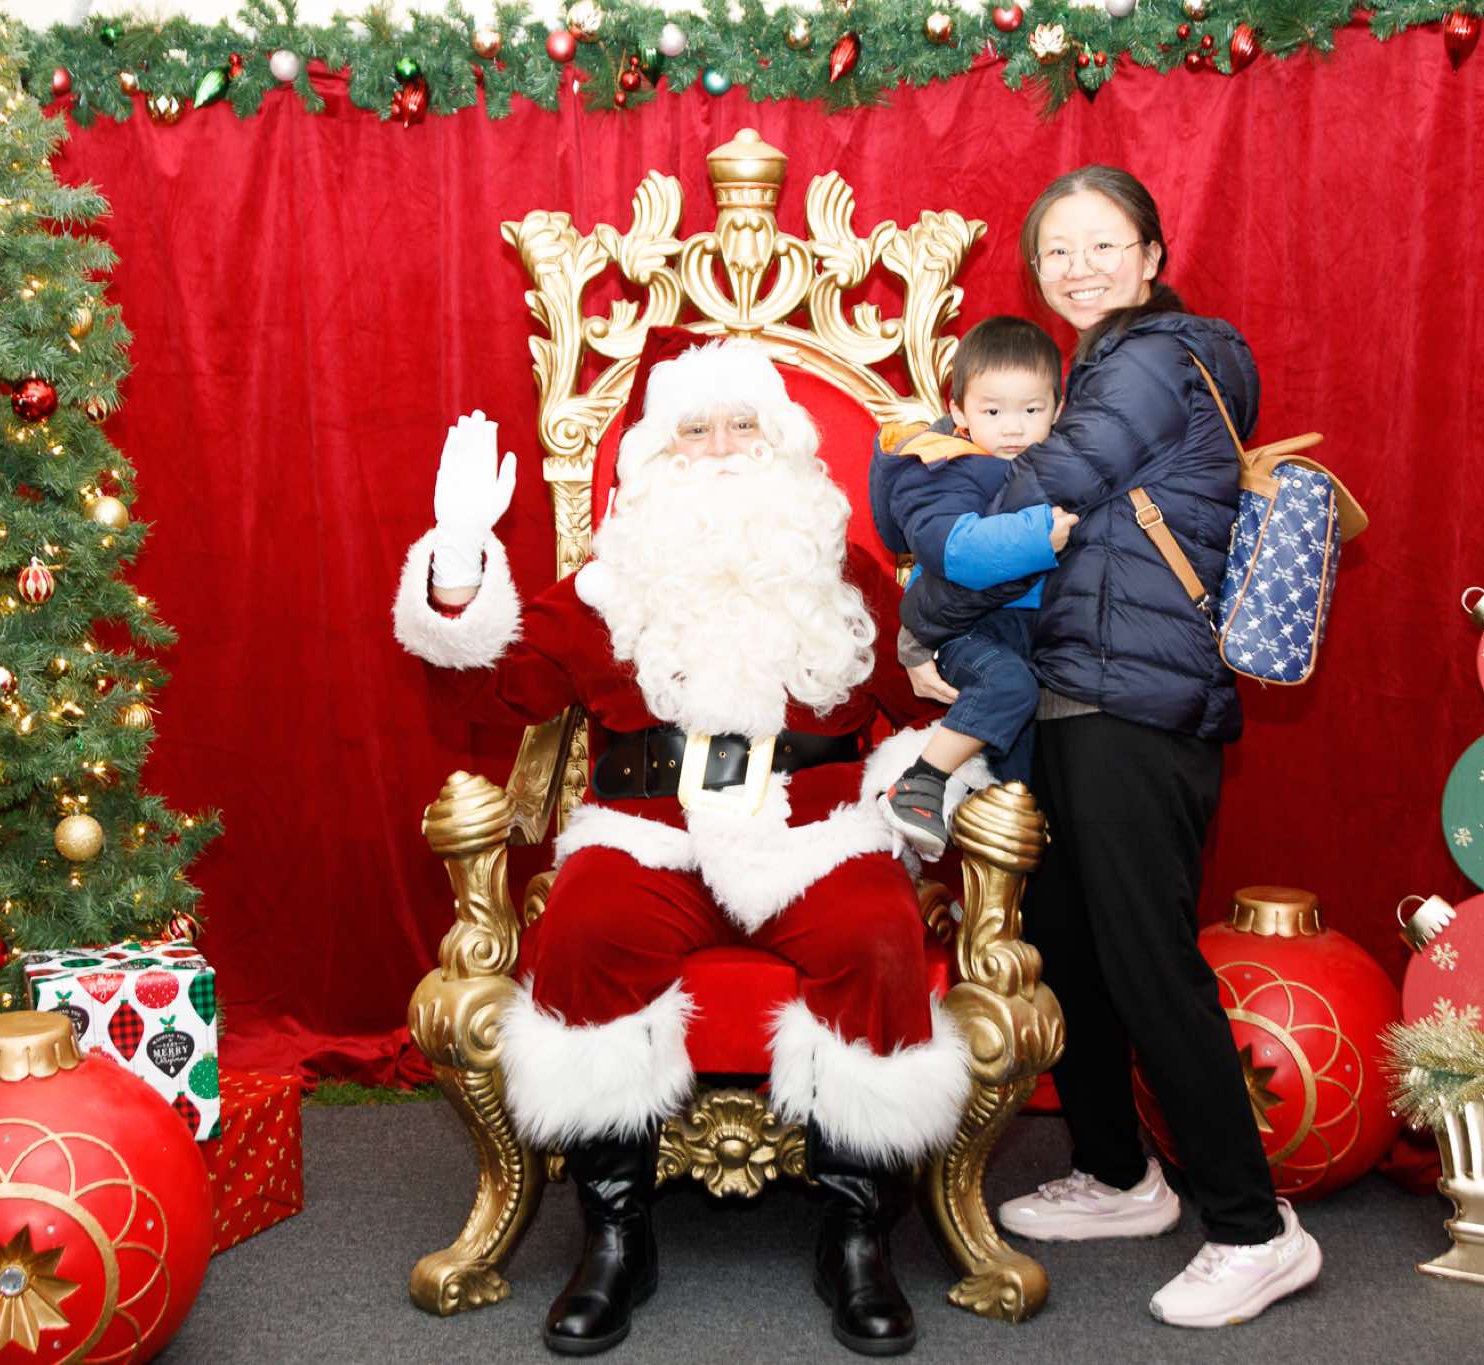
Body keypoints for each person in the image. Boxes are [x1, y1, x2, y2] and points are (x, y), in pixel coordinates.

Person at [392, 338, 982, 1358]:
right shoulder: (607, 583)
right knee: (585, 929)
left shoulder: (844, 574)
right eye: (693, 430)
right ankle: (616, 1236)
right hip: (646, 837)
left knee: (878, 935)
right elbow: (493, 686)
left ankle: (856, 1234)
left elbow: (933, 701)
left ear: (782, 443)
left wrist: (929, 761)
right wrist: (456, 559)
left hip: (815, 838)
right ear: (655, 456)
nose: (719, 448)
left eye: (741, 425)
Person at [898, 166, 1323, 1329]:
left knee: (1144, 962)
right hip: (1073, 697)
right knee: (1070, 950)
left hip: (1136, 703)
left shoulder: (1148, 359)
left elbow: (1040, 488)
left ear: (1150, 256)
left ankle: (1253, 1228)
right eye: (1056, 251)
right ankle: (1118, 1174)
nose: (1077, 268)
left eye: (1101, 245)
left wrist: (923, 589)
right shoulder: (1099, 365)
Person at [868, 316, 1078, 858]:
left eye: (1031, 410)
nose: (1013, 428)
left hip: (1030, 631)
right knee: (1008, 685)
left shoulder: (1058, 466)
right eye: (992, 411)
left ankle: (999, 880)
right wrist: (1037, 535)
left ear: (1057, 409)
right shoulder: (943, 466)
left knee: (1019, 784)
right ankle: (920, 782)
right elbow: (954, 550)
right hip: (966, 630)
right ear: (959, 411)